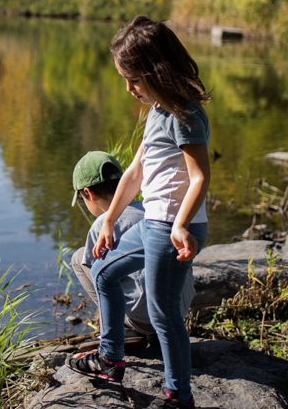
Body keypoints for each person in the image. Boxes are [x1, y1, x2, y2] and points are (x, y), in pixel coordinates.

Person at [67, 15, 211, 409]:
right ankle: (111, 360)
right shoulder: (156, 112)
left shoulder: (186, 116)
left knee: (164, 312)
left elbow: (200, 176)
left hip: (174, 228)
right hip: (152, 222)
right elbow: (134, 173)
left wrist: (182, 224)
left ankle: (179, 398)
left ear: (155, 71)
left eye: (132, 79)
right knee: (106, 273)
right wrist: (110, 219)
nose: (129, 89)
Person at [69, 151, 196, 352]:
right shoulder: (154, 211)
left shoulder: (102, 225)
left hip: (145, 319)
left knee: (79, 258)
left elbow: (103, 282)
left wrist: (107, 338)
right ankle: (155, 332)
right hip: (178, 311)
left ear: (89, 194)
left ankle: (119, 330)